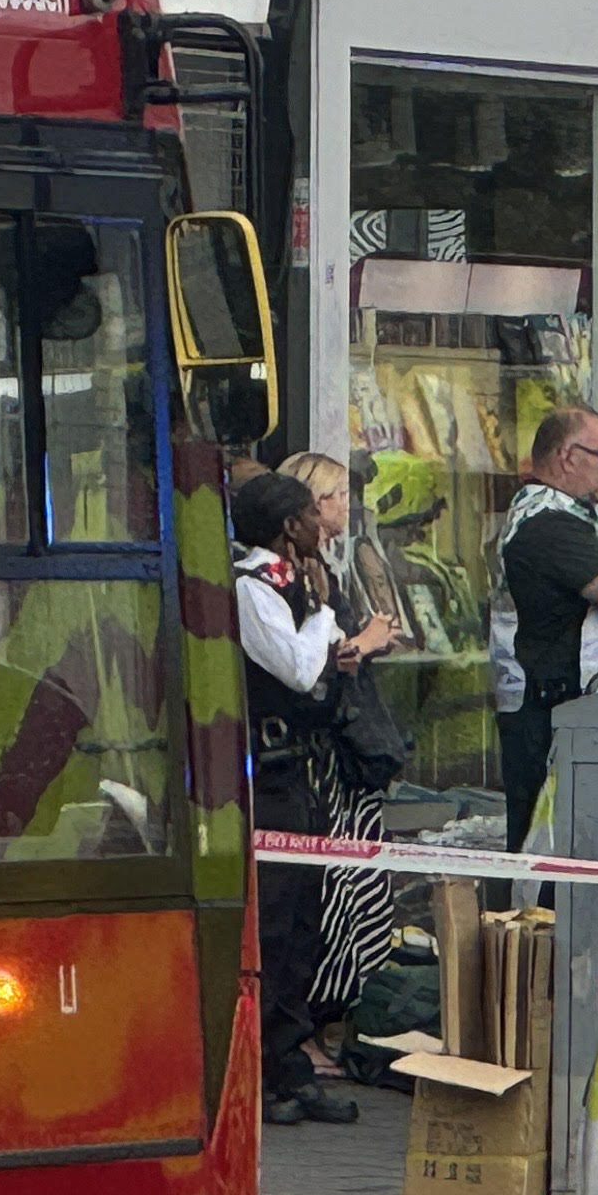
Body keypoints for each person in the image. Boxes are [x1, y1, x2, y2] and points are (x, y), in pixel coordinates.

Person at [235, 472, 395, 1127]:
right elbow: (300, 670)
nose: (320, 524)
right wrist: (336, 632)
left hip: (302, 774)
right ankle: (266, 1074)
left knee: (304, 925)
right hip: (270, 780)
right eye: (309, 513)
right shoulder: (252, 587)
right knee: (273, 927)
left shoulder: (289, 583)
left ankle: (290, 1067)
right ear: (284, 525)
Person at [290, 457, 411, 1074]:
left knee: (362, 892)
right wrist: (362, 643)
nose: (344, 506)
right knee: (331, 893)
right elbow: (308, 661)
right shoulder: (295, 578)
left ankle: (330, 1022)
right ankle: (307, 1028)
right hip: (327, 758)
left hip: (350, 760)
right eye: (335, 495)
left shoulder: (335, 567)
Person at [492, 405, 598, 850]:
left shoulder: (580, 514)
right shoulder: (547, 521)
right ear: (568, 456)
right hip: (546, 705)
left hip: (561, 700)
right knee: (546, 844)